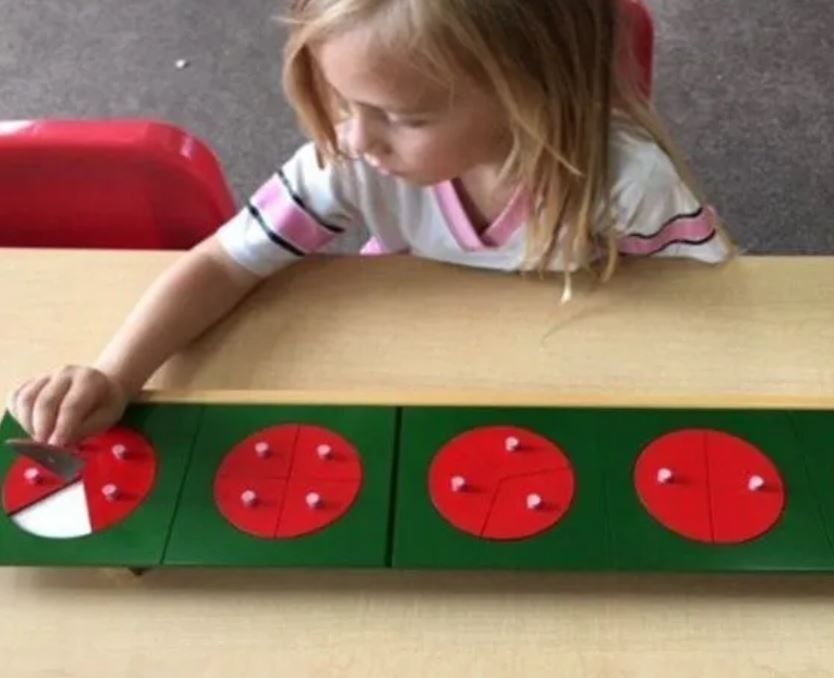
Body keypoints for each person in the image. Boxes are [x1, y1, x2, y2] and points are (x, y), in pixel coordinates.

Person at [6, 0, 734, 447]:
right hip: (408, 359)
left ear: (529, 96)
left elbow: (708, 304)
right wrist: (114, 371)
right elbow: (224, 262)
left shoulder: (626, 185)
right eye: (345, 103)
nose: (355, 139)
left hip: (572, 369)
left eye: (403, 118)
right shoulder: (347, 164)